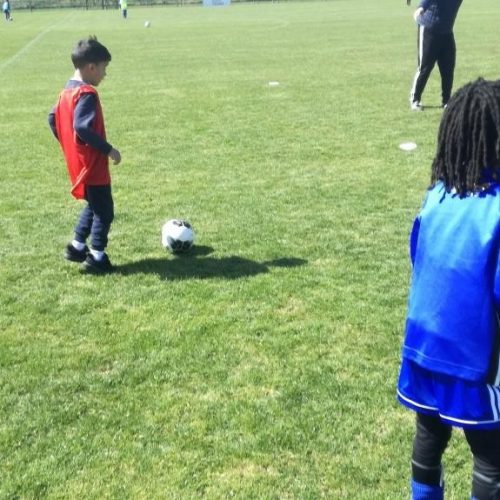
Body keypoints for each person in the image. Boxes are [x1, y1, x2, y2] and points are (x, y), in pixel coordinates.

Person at [397, 78, 500, 499]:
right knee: (492, 457)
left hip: (422, 348)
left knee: (429, 435)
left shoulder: (437, 194)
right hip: (474, 360)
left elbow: (417, 255)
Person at [48, 37, 121, 274]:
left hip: (78, 164)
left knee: (94, 204)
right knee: (105, 211)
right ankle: (97, 256)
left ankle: (77, 246)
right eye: (103, 68)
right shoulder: (86, 93)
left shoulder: (66, 91)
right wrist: (108, 149)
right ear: (91, 67)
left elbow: (52, 118)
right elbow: (82, 126)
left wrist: (69, 145)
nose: (105, 74)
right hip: (92, 165)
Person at [408, 0, 463, 111]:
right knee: (425, 67)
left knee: (448, 67)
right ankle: (415, 99)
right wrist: (422, 7)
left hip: (447, 31)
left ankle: (446, 101)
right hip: (429, 28)